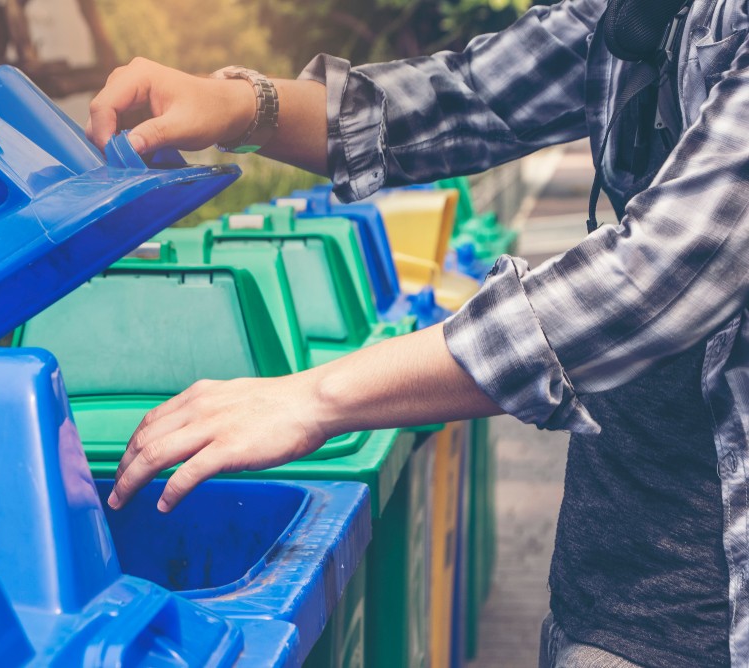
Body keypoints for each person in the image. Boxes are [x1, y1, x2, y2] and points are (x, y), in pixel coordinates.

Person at [84, 0, 749, 665]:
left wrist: (312, 398)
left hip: (715, 611)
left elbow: (657, 275)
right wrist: (243, 106)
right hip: (610, 574)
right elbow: (463, 98)